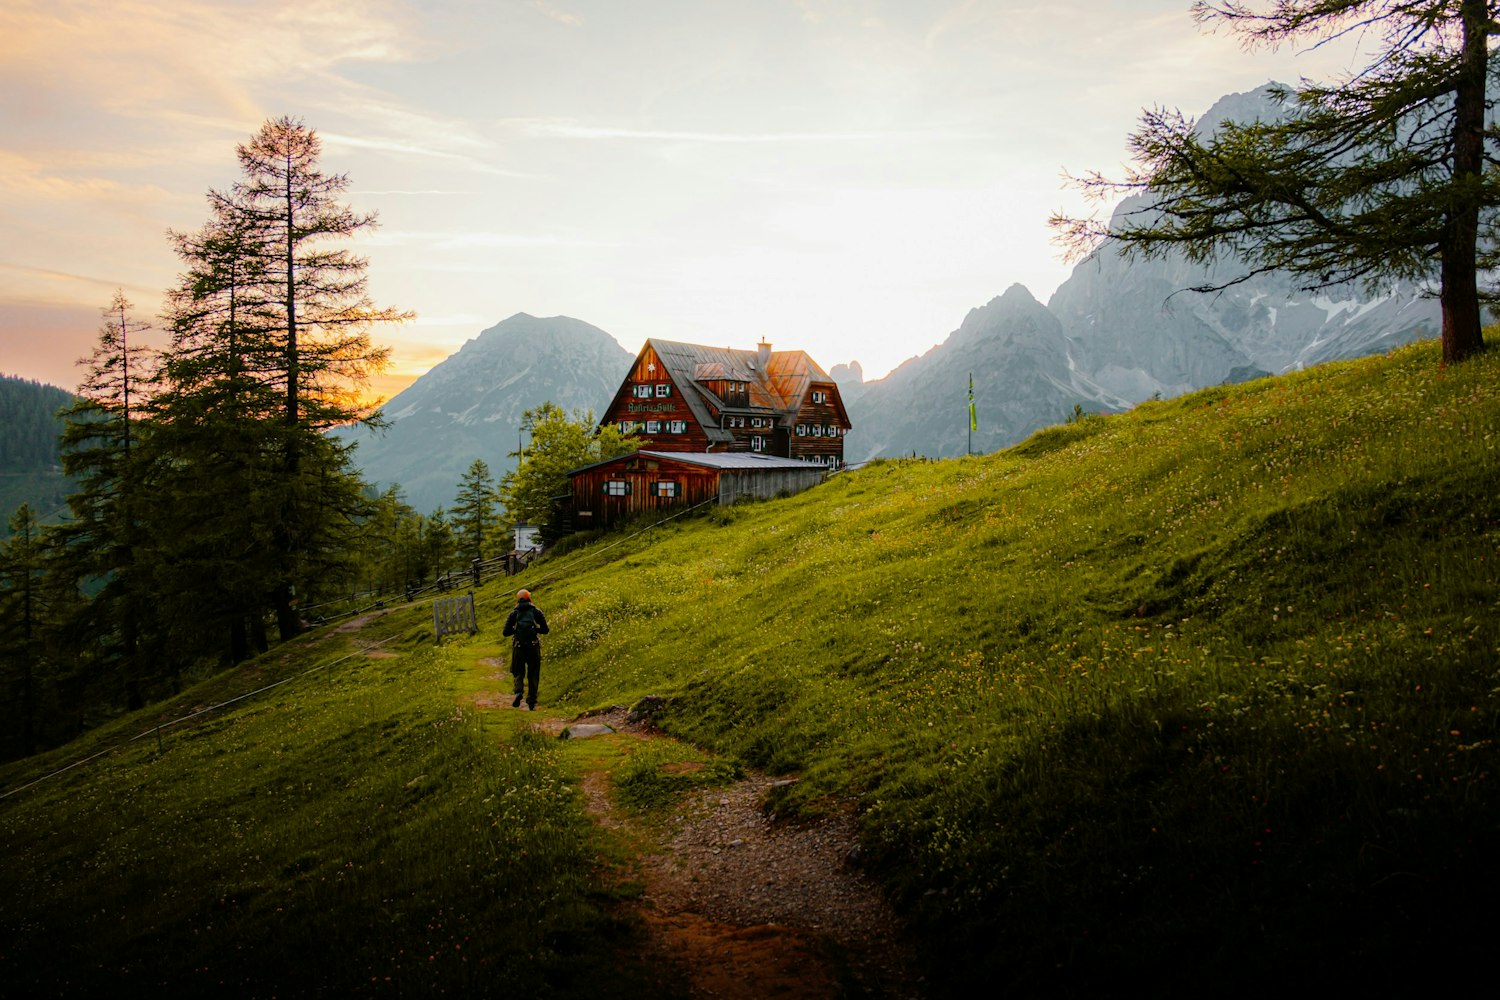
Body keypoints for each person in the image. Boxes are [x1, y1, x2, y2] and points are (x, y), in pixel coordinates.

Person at [503, 588, 549, 710]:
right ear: (529, 598)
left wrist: (516, 631)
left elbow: (505, 632)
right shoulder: (536, 612)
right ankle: (531, 702)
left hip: (519, 647)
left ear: (518, 599)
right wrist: (535, 630)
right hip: (533, 647)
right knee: (533, 673)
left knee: (518, 671)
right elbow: (545, 630)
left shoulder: (514, 613)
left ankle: (518, 692)